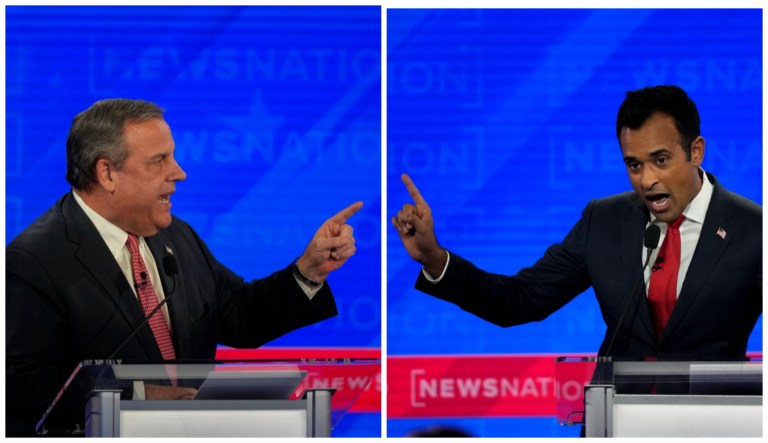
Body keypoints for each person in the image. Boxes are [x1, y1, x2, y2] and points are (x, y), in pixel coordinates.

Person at [6, 98, 362, 436]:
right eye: (159, 161)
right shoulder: (34, 260)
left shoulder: (176, 235)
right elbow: (23, 391)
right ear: (107, 173)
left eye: (172, 157)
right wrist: (141, 398)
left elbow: (240, 315)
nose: (179, 173)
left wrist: (309, 271)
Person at [393, 85, 761, 364]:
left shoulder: (753, 230)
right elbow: (518, 301)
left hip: (714, 421)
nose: (647, 180)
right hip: (616, 420)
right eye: (634, 165)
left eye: (660, 160)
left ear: (695, 151)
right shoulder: (603, 221)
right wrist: (435, 258)